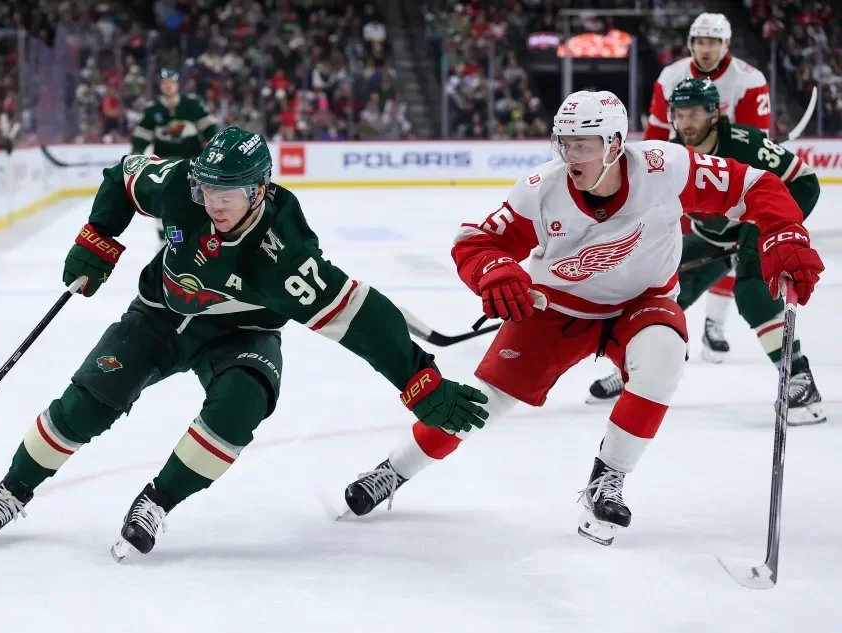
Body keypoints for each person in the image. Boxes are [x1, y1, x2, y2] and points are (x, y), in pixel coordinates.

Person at [0, 126, 490, 560]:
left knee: (242, 405)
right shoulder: (181, 186)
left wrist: (419, 378)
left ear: (258, 191)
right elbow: (124, 176)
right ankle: (13, 487)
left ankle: (158, 501)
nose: (211, 203)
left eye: (226, 194)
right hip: (158, 316)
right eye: (206, 190)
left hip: (243, 334)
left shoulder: (286, 253)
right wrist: (99, 236)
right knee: (89, 402)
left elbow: (361, 316)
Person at [341, 90, 823, 546]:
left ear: (614, 144)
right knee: (483, 403)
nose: (571, 155)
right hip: (557, 309)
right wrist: (495, 271)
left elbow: (755, 184)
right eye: (564, 142)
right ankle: (394, 469)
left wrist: (784, 232)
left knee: (663, 360)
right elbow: (476, 242)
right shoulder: (542, 189)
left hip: (642, 302)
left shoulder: (665, 166)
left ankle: (607, 480)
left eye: (584, 144)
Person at [587, 78, 825, 425]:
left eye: (694, 113)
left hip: (755, 225)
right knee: (655, 289)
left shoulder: (745, 143)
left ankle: (800, 379)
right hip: (713, 236)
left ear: (714, 113)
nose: (686, 122)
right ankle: (637, 370)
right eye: (680, 114)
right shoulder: (670, 154)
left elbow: (805, 182)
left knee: (753, 291)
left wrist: (775, 230)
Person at [645, 12, 773, 361]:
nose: (706, 49)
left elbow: (753, 143)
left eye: (713, 42)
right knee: (669, 257)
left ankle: (713, 326)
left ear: (726, 45)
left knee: (726, 251)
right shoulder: (671, 76)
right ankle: (667, 327)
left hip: (725, 179)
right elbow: (657, 133)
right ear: (691, 44)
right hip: (680, 177)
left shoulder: (748, 79)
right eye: (700, 41)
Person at [131, 68, 220, 242]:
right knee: (165, 203)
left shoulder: (192, 104)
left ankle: (199, 238)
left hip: (192, 163)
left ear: (177, 85)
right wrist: (137, 152)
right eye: (165, 83)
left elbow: (209, 127)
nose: (168, 86)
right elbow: (141, 136)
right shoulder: (153, 110)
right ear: (160, 86)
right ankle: (165, 240)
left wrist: (211, 143)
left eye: (171, 83)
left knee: (198, 201)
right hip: (165, 166)